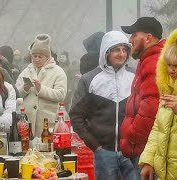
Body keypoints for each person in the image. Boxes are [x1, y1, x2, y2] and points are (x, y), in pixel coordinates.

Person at [70, 31, 137, 180]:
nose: (121, 54)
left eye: (124, 49)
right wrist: (95, 146)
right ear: (106, 52)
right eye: (116, 50)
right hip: (104, 153)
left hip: (133, 152)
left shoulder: (136, 77)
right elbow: (76, 115)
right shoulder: (89, 80)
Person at [120, 17, 166, 175]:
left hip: (145, 149)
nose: (130, 40)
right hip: (144, 148)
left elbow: (151, 107)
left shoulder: (153, 62)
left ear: (148, 37)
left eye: (134, 35)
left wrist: (133, 135)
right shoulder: (148, 59)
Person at [139, 29, 177, 180]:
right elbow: (158, 128)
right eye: (168, 65)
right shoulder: (168, 89)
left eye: (176, 65)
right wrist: (148, 161)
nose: (171, 70)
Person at [15, 34, 67, 137]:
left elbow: (61, 94)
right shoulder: (26, 71)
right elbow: (15, 94)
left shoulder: (58, 72)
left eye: (40, 57)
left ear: (48, 57)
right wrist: (24, 88)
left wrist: (41, 89)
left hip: (48, 125)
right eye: (34, 56)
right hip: (26, 125)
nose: (37, 59)